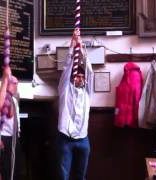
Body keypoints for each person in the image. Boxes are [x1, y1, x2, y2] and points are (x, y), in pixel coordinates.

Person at [56, 28, 93, 180]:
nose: (80, 78)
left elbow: (90, 72)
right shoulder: (65, 89)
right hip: (65, 138)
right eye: (77, 76)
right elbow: (66, 69)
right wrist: (72, 45)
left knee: (81, 175)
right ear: (72, 78)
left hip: (83, 139)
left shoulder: (87, 93)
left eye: (81, 76)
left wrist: (81, 46)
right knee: (63, 175)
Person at [0, 75, 22, 180]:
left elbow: (14, 119)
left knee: (14, 168)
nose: (16, 87)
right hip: (2, 137)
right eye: (15, 84)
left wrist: (18, 131)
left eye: (17, 84)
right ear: (7, 84)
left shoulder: (14, 100)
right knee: (3, 169)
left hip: (14, 138)